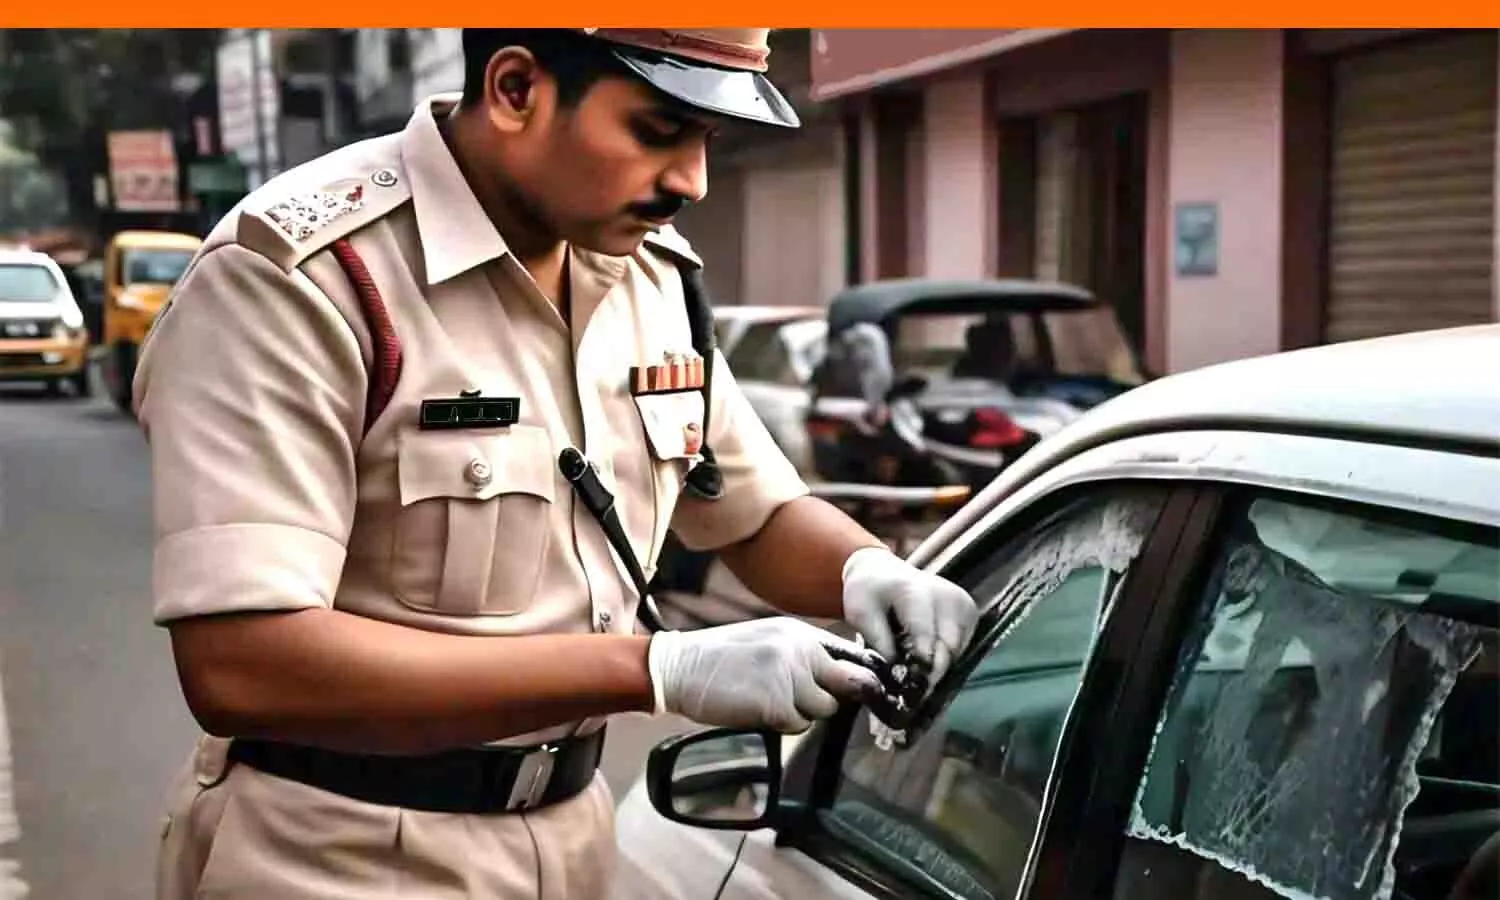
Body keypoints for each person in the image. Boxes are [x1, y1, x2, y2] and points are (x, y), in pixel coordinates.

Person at [134, 28, 979, 900]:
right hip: (335, 854)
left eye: (707, 142)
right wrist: (659, 668)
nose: (691, 182)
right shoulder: (305, 277)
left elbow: (750, 513)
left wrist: (868, 572)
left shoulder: (650, 280)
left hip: (572, 839)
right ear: (513, 88)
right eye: (658, 131)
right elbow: (243, 662)